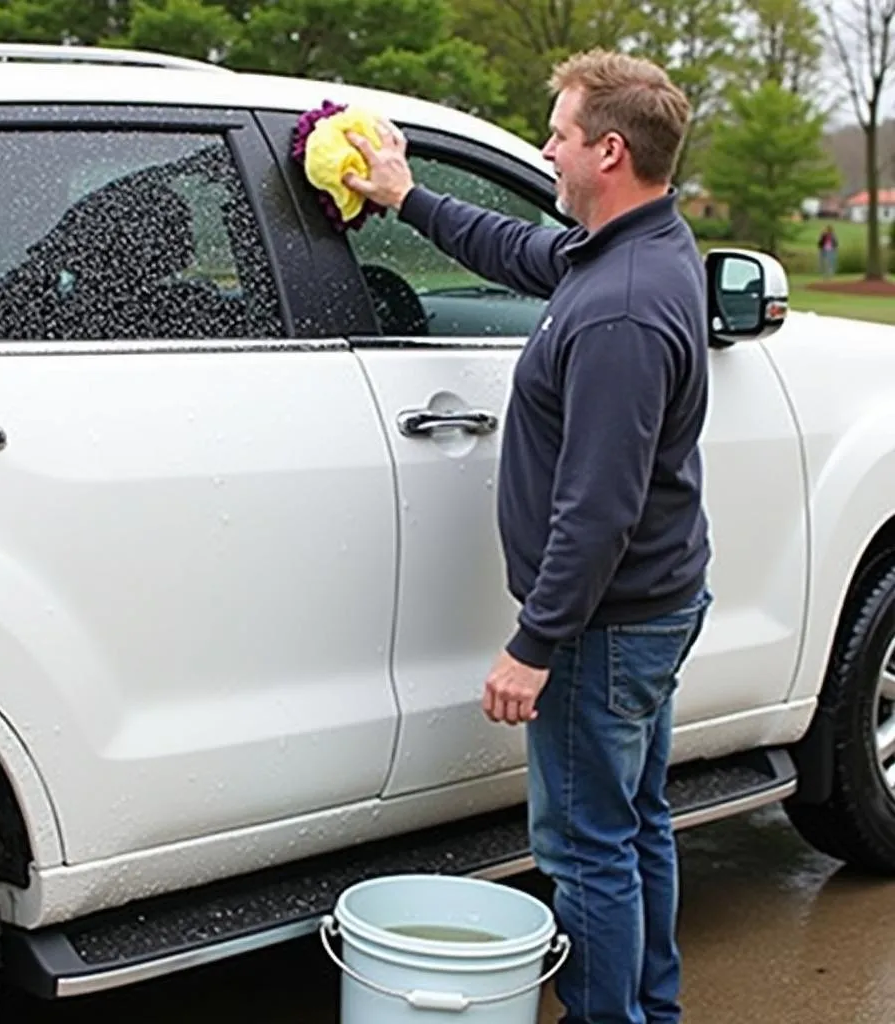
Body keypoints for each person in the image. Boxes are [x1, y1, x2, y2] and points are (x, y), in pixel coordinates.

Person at [344, 49, 712, 1024]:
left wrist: (533, 644)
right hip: (644, 610)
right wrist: (406, 197)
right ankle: (649, 1011)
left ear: (608, 148)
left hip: (606, 626)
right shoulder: (629, 250)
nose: (544, 148)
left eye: (555, 133)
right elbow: (516, 249)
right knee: (631, 826)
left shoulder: (622, 309)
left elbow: (599, 507)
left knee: (584, 847)